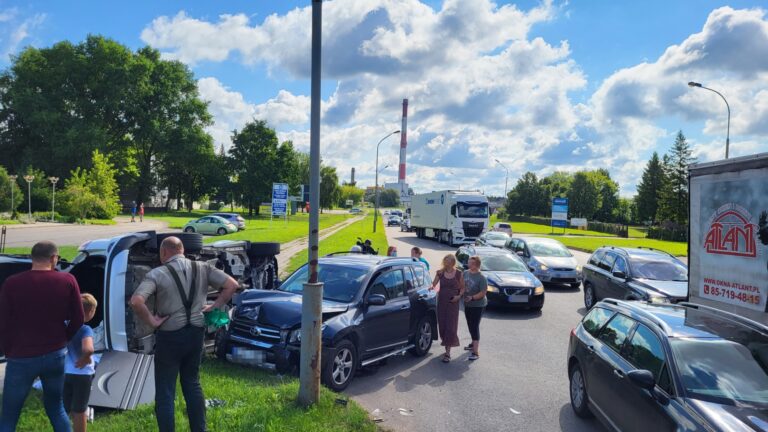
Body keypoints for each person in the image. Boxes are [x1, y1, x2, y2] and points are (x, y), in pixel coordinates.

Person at [130, 236, 239, 432]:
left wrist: (152, 321)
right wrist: (215, 305)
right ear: (182, 250)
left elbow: (136, 301)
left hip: (169, 337)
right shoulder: (203, 268)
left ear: (164, 253)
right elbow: (231, 284)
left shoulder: (157, 274)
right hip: (196, 334)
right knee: (192, 383)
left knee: (165, 391)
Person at [0, 241, 84, 432]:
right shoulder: (67, 281)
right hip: (55, 354)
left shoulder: (12, 283)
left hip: (21, 356)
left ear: (32, 258)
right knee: (56, 408)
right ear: (54, 258)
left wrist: (7, 348)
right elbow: (78, 318)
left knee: (9, 416)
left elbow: (3, 321)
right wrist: (65, 338)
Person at [64, 294, 98, 432]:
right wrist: (85, 358)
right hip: (82, 375)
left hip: (65, 372)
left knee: (64, 408)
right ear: (90, 312)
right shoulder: (85, 329)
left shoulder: (65, 325)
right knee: (80, 410)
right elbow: (88, 348)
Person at [430, 254, 464, 363]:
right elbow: (433, 284)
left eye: (448, 260)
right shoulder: (440, 273)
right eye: (445, 259)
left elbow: (463, 288)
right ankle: (446, 346)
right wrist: (430, 288)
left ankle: (448, 353)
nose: (446, 261)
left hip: (453, 303)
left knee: (451, 327)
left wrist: (459, 296)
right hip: (442, 303)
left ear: (453, 262)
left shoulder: (459, 274)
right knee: (443, 327)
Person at [462, 256, 488, 361]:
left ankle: (476, 352)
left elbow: (483, 292)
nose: (469, 264)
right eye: (469, 262)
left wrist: (472, 298)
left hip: (478, 305)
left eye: (471, 263)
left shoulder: (481, 277)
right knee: (470, 324)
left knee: (474, 326)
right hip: (468, 304)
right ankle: (473, 344)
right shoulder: (466, 273)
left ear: (477, 265)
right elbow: (462, 285)